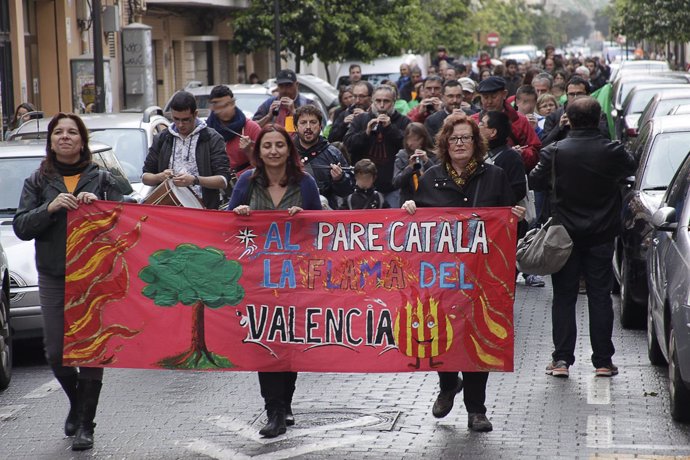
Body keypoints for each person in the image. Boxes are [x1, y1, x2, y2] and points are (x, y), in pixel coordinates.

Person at [401, 113, 525, 433]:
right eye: (454, 138)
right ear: (444, 143)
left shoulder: (495, 176)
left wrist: (516, 217)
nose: (459, 144)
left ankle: (476, 409)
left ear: (476, 142)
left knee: (477, 339)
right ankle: (447, 384)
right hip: (442, 277)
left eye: (466, 138)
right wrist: (410, 209)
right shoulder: (430, 178)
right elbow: (417, 227)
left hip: (482, 276)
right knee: (442, 336)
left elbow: (509, 227)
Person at [13, 112, 125, 451]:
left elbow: (126, 219)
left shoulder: (103, 176)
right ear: (50, 141)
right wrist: (50, 208)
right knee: (56, 351)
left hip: (93, 276)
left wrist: (101, 206)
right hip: (53, 273)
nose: (65, 137)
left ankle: (86, 425)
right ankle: (77, 404)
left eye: (71, 132)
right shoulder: (37, 180)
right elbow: (21, 226)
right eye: (58, 132)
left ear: (81, 140)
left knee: (90, 348)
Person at [529, 97, 636, 379]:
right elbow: (631, 166)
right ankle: (602, 360)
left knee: (563, 297)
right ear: (599, 119)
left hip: (564, 235)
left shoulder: (555, 151)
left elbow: (535, 180)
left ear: (569, 119)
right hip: (601, 234)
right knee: (600, 296)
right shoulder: (611, 150)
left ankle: (562, 359)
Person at [228, 124, 322, 438]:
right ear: (258, 150)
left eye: (279, 145)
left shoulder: (305, 183)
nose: (273, 151)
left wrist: (305, 218)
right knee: (265, 343)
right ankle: (274, 410)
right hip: (257, 280)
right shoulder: (246, 182)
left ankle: (286, 401)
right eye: (267, 145)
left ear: (288, 149)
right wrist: (239, 213)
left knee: (288, 343)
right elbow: (226, 228)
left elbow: (322, 230)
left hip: (296, 277)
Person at [142, 90, 231, 210]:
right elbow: (145, 177)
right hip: (168, 209)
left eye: (185, 120)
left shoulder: (212, 138)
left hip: (204, 210)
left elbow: (223, 180)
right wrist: (160, 177)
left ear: (195, 114)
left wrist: (194, 180)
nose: (180, 125)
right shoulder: (163, 138)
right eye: (176, 119)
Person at [344, 84, 411, 207]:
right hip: (363, 187)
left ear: (394, 102)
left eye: (386, 101)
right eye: (378, 101)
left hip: (392, 187)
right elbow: (348, 145)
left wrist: (390, 129)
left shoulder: (403, 121)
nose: (381, 105)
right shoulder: (360, 119)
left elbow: (408, 146)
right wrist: (366, 133)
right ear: (372, 102)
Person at [472, 76, 542, 172]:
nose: (489, 101)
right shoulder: (473, 121)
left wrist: (522, 153)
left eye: (493, 96)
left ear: (504, 94)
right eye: (485, 97)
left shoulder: (520, 120)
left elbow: (535, 150)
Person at [293, 104, 353, 209]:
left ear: (320, 125)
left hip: (324, 214)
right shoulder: (287, 152)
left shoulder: (333, 153)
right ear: (296, 127)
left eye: (313, 122)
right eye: (303, 122)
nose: (308, 127)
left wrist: (340, 179)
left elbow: (347, 191)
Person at [206, 85, 261, 180]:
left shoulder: (251, 128)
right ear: (213, 108)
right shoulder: (206, 131)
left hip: (246, 183)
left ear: (233, 103)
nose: (225, 110)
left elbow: (263, 165)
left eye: (227, 105)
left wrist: (248, 150)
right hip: (216, 185)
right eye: (220, 106)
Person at [392, 122, 436, 204]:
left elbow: (438, 177)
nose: (411, 143)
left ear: (423, 139)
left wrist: (427, 161)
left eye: (415, 139)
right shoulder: (402, 155)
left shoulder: (433, 155)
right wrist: (410, 167)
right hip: (408, 201)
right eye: (409, 139)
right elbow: (396, 182)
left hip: (429, 201)